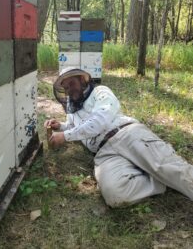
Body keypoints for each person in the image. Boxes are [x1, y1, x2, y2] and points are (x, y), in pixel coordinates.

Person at [44, 67, 193, 207]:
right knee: (115, 195)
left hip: (126, 134)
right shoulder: (73, 110)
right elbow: (75, 127)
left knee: (174, 170)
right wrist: (61, 126)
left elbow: (99, 121)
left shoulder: (100, 92)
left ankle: (163, 172)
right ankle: (160, 178)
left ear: (82, 81)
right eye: (66, 88)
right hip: (104, 153)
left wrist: (65, 136)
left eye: (72, 83)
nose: (69, 90)